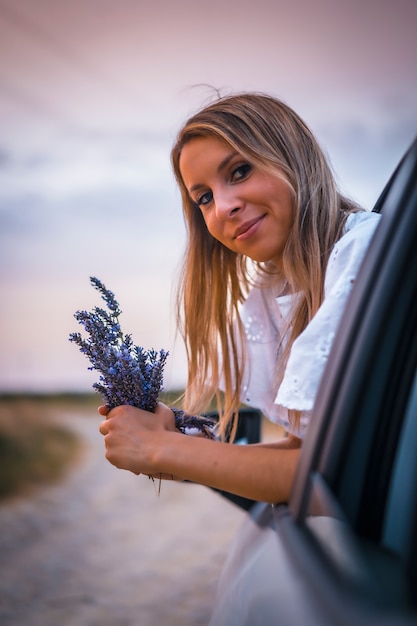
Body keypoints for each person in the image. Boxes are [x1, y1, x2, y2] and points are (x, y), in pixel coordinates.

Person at [98, 92, 380, 504]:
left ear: (293, 156)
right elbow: (304, 453)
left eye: (240, 170)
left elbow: (329, 476)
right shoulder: (277, 291)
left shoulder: (363, 252)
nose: (223, 207)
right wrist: (177, 441)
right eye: (204, 198)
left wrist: (163, 449)